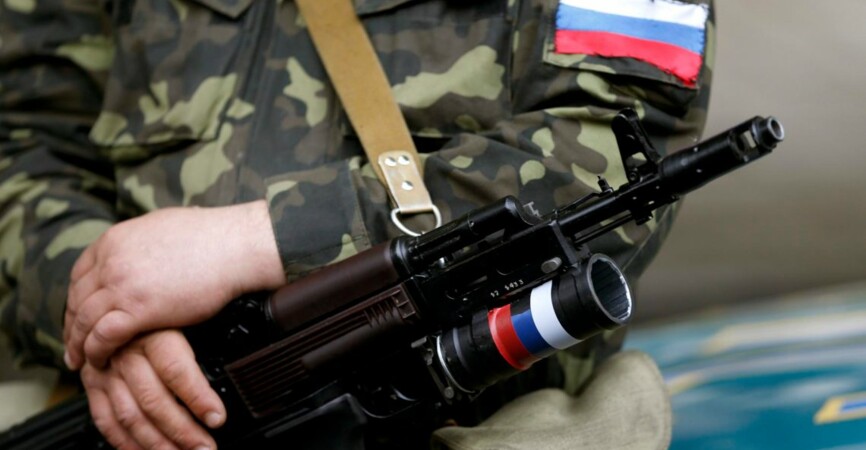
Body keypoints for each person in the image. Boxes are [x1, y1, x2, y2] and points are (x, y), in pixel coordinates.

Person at [0, 0, 714, 448]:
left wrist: (266, 239)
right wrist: (103, 311)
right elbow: (27, 141)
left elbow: (613, 161)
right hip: (134, 418)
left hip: (462, 422)